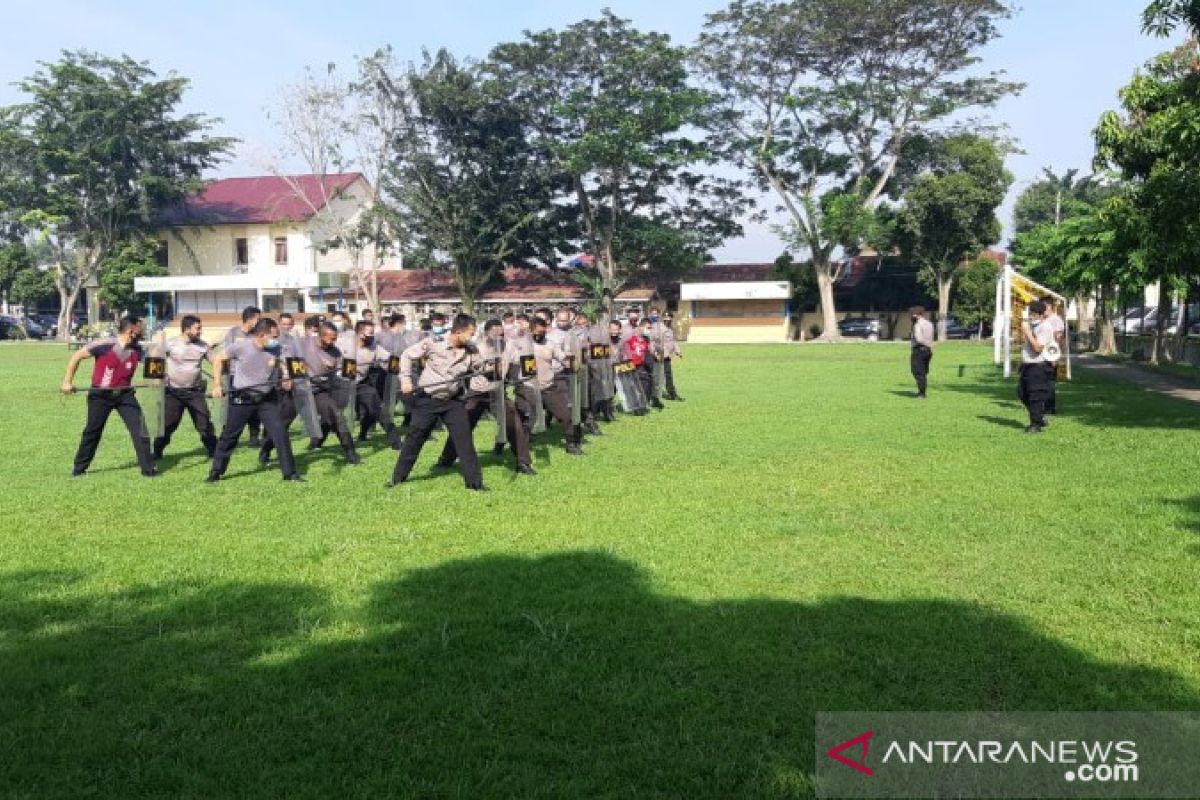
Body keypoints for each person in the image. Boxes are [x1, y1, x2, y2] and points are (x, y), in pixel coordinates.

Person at [388, 313, 488, 491]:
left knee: (464, 440)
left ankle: (475, 484)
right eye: (470, 333)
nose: (472, 337)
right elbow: (406, 356)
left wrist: (493, 369)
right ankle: (398, 478)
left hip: (453, 401)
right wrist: (406, 380)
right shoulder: (434, 343)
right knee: (415, 438)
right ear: (458, 331)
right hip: (428, 400)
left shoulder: (472, 350)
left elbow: (481, 368)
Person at [207, 318, 303, 482]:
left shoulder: (276, 349)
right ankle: (216, 472)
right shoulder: (241, 346)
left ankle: (290, 473)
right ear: (262, 335)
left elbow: (283, 365)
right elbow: (218, 359)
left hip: (266, 399)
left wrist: (287, 376)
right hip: (242, 398)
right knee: (230, 436)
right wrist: (217, 384)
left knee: (280, 432)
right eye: (273, 336)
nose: (276, 340)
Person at [61, 315, 158, 478]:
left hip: (125, 395)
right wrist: (67, 382)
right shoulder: (104, 345)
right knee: (92, 431)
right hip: (100, 395)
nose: (141, 330)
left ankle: (148, 469)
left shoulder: (137, 349)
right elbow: (77, 356)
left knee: (140, 430)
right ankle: (79, 468)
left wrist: (157, 378)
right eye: (139, 327)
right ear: (131, 330)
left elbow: (153, 365)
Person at [436, 319, 536, 476]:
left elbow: (519, 362)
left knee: (514, 425)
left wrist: (528, 366)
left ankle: (523, 463)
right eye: (494, 334)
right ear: (486, 333)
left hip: (498, 393)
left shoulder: (508, 345)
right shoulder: (477, 348)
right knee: (463, 427)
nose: (498, 337)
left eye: (501, 334)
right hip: (477, 393)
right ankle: (446, 459)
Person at [153, 315, 218, 460]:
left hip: (195, 392)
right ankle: (157, 451)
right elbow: (155, 354)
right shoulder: (171, 344)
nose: (200, 331)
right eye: (198, 328)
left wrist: (219, 382)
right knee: (168, 425)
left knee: (204, 423)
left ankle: (214, 451)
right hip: (173, 392)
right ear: (187, 329)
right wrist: (157, 378)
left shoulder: (203, 346)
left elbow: (215, 362)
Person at [302, 321, 362, 464]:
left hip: (319, 391)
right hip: (300, 389)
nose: (334, 341)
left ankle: (350, 452)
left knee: (336, 416)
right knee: (281, 422)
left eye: (335, 338)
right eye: (331, 338)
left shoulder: (335, 351)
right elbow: (286, 357)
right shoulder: (303, 343)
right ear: (322, 335)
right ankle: (267, 448)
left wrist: (347, 372)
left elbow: (344, 370)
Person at [531, 315, 584, 455]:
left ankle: (571, 444)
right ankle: (502, 445)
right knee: (520, 420)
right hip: (528, 388)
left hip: (548, 387)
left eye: (542, 332)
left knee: (566, 415)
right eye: (537, 332)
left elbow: (562, 358)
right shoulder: (522, 345)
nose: (539, 335)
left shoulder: (551, 344)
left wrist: (572, 362)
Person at [352, 319, 401, 448]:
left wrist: (400, 366)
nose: (372, 336)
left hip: (361, 384)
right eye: (370, 333)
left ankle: (396, 442)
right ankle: (316, 442)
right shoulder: (343, 344)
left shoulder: (374, 346)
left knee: (377, 408)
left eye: (373, 333)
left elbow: (390, 358)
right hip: (341, 385)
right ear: (360, 333)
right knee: (330, 415)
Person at [223, 306, 264, 446]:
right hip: (235, 376)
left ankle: (254, 436)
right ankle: (229, 436)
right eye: (258, 319)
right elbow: (226, 353)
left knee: (255, 406)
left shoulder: (257, 334)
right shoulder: (233, 333)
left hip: (254, 377)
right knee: (235, 406)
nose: (260, 321)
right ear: (250, 319)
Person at [1018, 301, 1057, 434]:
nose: (1030, 317)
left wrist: (1027, 332)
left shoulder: (1045, 327)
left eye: (1033, 314)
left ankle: (1035, 425)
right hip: (1027, 365)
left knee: (1035, 396)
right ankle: (1039, 417)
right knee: (1022, 393)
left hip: (1039, 366)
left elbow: (1037, 348)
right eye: (1030, 314)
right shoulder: (1032, 326)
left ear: (1040, 315)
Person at [627, 318, 662, 410]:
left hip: (642, 366)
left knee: (647, 385)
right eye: (648, 328)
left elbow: (650, 349)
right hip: (631, 365)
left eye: (650, 328)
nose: (649, 330)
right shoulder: (630, 336)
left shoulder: (646, 339)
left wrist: (655, 354)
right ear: (641, 327)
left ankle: (642, 404)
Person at [1041, 297, 1066, 416]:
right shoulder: (1040, 320)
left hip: (1051, 355)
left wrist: (1055, 357)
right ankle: (1042, 405)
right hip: (1040, 355)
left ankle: (1050, 408)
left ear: (1050, 306)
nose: (1044, 308)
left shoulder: (1056, 320)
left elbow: (1059, 339)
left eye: (1045, 305)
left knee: (1049, 382)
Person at [658, 311, 685, 401]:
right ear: (663, 318)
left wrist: (678, 351)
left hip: (667, 357)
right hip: (659, 356)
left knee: (668, 376)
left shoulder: (670, 329)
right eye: (665, 318)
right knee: (658, 376)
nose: (667, 319)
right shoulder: (659, 329)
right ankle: (653, 395)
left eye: (669, 318)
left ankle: (672, 394)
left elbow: (674, 341)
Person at [909, 306, 934, 399]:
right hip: (928, 351)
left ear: (917, 314)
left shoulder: (917, 325)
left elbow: (919, 339)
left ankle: (921, 393)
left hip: (919, 350)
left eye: (912, 314)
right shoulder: (929, 324)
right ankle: (922, 390)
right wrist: (929, 345)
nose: (911, 316)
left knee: (917, 371)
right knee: (923, 372)